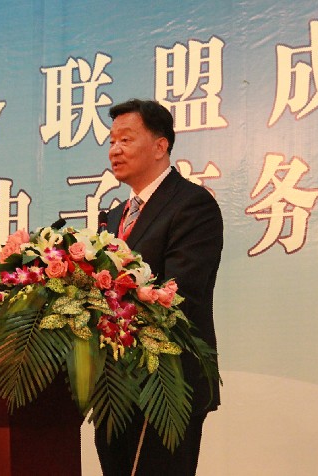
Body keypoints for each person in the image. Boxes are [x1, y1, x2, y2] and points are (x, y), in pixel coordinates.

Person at [95, 99, 223, 475]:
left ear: (160, 146)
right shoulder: (113, 217)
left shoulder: (192, 205)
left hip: (168, 383)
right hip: (114, 387)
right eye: (112, 141)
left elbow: (180, 293)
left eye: (125, 139)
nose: (114, 150)